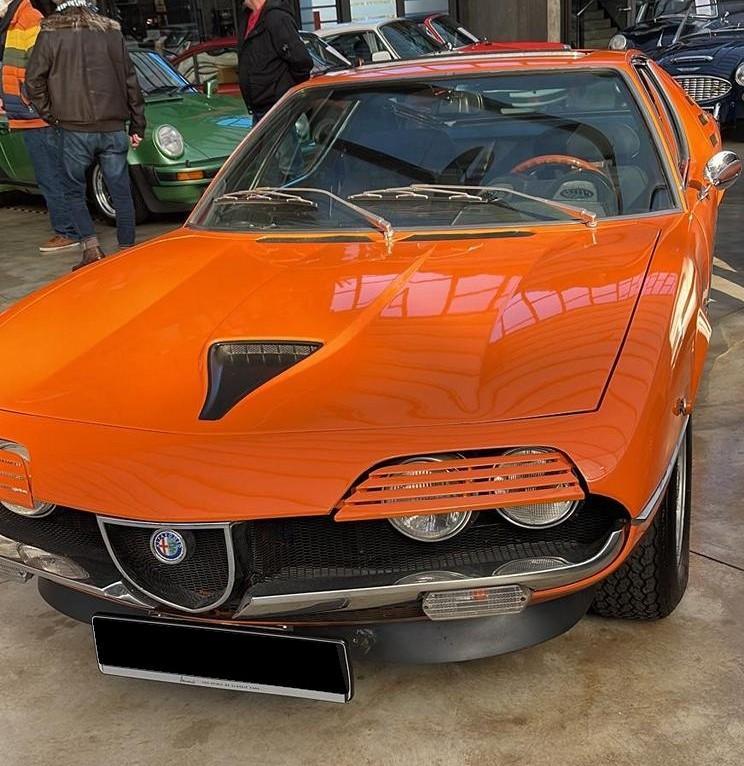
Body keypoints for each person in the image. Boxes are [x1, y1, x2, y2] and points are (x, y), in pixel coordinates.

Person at [26, 0, 145, 271]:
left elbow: (33, 82)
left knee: (73, 190)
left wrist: (53, 115)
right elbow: (131, 80)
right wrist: (137, 125)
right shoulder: (111, 32)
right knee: (120, 190)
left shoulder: (51, 33)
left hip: (73, 128)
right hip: (113, 126)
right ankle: (127, 248)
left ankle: (91, 249)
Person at [0, 0, 79, 253]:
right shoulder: (15, 22)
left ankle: (68, 231)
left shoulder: (28, 20)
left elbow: (42, 68)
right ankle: (70, 228)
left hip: (37, 116)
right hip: (30, 114)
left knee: (51, 176)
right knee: (51, 175)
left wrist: (31, 102)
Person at [237, 0, 312, 123]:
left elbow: (301, 61)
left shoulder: (276, 17)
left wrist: (285, 91)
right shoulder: (246, 18)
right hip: (259, 110)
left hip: (279, 109)